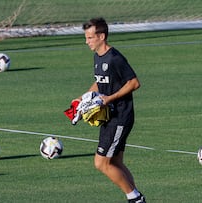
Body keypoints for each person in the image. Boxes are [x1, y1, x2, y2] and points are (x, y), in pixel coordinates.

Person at [75, 17, 146, 203]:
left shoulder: (115, 58)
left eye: (90, 37)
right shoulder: (98, 56)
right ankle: (135, 196)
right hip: (110, 117)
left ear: (101, 36)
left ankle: (135, 198)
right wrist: (83, 98)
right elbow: (101, 81)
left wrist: (109, 99)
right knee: (115, 162)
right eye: (86, 37)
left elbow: (134, 83)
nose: (86, 41)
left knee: (101, 163)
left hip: (120, 116)